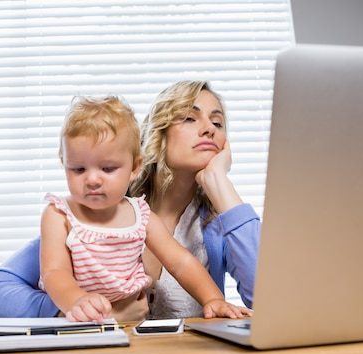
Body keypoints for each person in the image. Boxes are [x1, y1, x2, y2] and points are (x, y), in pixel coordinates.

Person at [0, 81, 261, 321]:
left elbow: (270, 302)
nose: (209, 128)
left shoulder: (216, 228)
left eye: (218, 121)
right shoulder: (93, 211)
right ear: (158, 131)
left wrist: (221, 185)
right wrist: (83, 312)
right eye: (189, 117)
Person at [42, 95, 246, 322]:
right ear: (64, 164)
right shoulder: (59, 214)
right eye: (78, 169)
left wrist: (213, 299)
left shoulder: (141, 216)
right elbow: (54, 271)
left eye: (107, 169)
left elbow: (181, 263)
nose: (92, 179)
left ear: (135, 168)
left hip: (133, 328)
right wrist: (76, 300)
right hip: (79, 323)